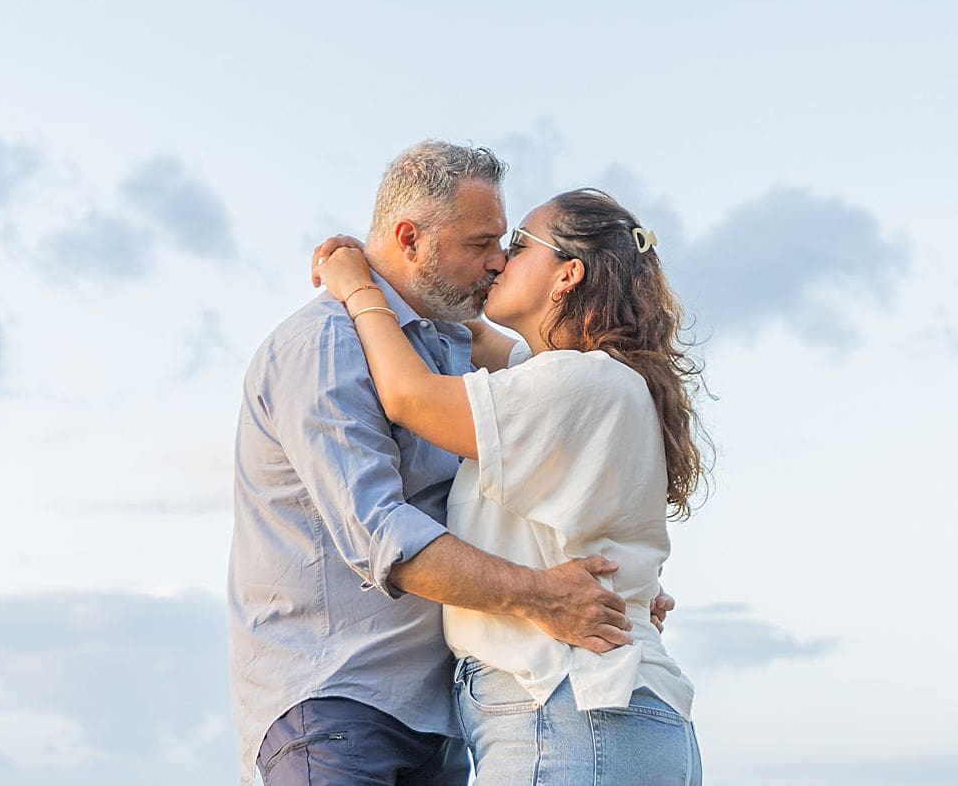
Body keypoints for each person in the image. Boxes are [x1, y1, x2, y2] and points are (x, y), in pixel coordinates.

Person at [228, 142, 646, 786]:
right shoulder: (326, 345)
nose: (497, 261)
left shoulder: (453, 343)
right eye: (481, 244)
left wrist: (622, 585)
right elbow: (381, 533)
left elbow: (546, 478)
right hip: (337, 703)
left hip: (442, 721)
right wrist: (546, 597)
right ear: (410, 239)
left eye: (504, 244)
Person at [317, 184, 707, 785]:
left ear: (568, 274)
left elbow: (410, 396)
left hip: (566, 710)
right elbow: (472, 335)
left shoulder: (575, 384)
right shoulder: (595, 384)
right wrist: (392, 271)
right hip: (609, 713)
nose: (498, 260)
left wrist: (358, 289)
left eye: (519, 245)